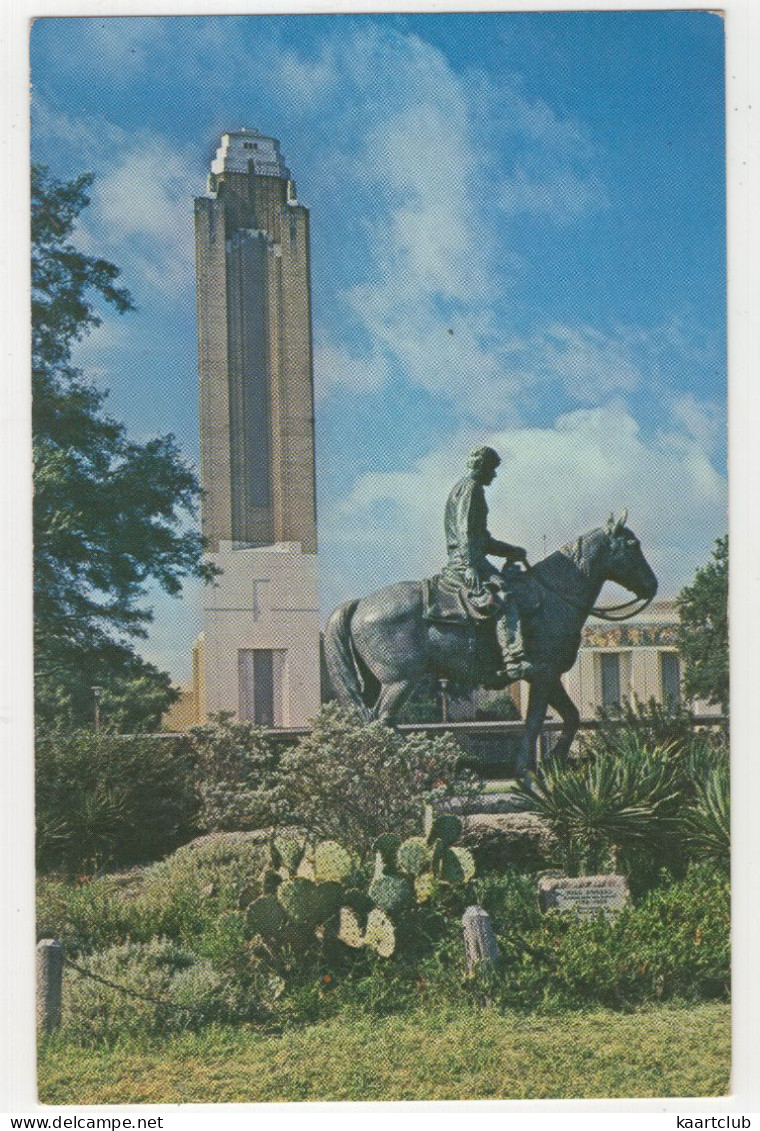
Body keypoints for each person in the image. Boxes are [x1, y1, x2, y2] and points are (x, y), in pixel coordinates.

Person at [441, 445, 540, 681]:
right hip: (468, 561)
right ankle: (513, 658)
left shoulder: (462, 487)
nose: (494, 475)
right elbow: (465, 531)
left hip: (471, 557)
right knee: (503, 593)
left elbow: (482, 539)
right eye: (493, 469)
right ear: (482, 467)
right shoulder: (471, 488)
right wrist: (469, 566)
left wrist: (510, 550)